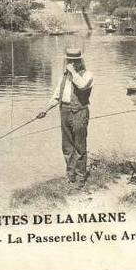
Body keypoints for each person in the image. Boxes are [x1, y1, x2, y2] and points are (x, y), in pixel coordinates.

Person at [36, 47, 94, 187]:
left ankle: (80, 179)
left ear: (80, 61)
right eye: (69, 61)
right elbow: (57, 97)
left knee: (80, 146)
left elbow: (81, 86)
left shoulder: (87, 75)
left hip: (79, 112)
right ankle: (70, 176)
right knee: (67, 147)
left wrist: (73, 72)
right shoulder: (64, 77)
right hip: (64, 112)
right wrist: (45, 110)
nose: (71, 63)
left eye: (74, 61)